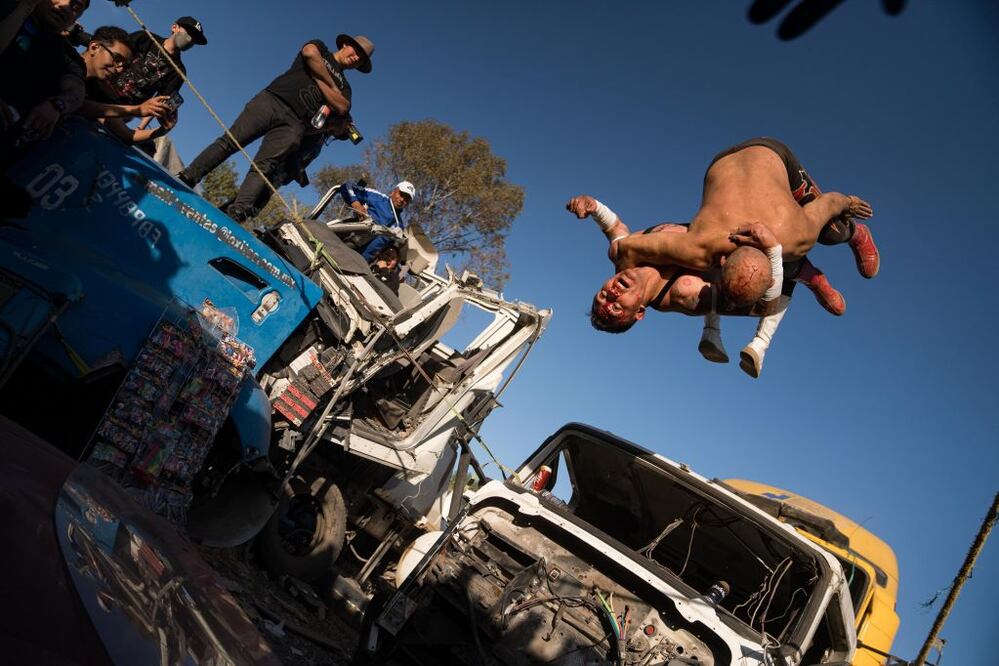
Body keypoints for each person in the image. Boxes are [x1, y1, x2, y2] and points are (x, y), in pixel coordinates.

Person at [570, 199, 834, 377]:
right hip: (746, 246)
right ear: (640, 312)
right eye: (616, 307)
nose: (612, 294)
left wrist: (593, 206)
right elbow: (764, 306)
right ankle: (761, 336)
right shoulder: (684, 293)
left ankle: (713, 332)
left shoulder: (622, 254)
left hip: (719, 223)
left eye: (603, 295)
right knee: (789, 266)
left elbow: (614, 227)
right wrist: (773, 251)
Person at [608, 137, 878, 309]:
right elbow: (628, 248)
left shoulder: (796, 236)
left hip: (770, 153)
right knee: (787, 257)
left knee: (830, 234)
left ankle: (857, 234)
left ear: (722, 261)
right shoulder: (698, 248)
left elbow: (830, 203)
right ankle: (813, 279)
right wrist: (625, 276)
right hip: (721, 160)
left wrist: (849, 203)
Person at [177, 34, 374, 223]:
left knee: (264, 166)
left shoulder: (345, 88)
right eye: (356, 51)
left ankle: (236, 212)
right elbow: (309, 53)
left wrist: (318, 77)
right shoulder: (321, 48)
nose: (356, 57)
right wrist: (331, 86)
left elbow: (342, 106)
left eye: (361, 59)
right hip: (272, 101)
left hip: (295, 124)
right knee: (230, 141)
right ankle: (188, 177)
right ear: (345, 45)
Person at [1, 0, 90, 217]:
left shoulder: (68, 56)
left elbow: (75, 91)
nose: (67, 6)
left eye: (77, 6)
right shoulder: (9, 11)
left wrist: (58, 105)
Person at [77, 25, 176, 145]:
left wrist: (163, 130)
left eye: (124, 65)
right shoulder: (63, 59)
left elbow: (127, 135)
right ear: (94, 47)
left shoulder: (101, 97)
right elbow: (78, 103)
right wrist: (136, 110)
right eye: (117, 59)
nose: (119, 69)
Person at [338, 180, 416, 261]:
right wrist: (355, 203)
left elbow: (386, 252)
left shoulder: (399, 227)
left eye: (407, 199)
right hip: (341, 245)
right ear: (393, 191)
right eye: (401, 194)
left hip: (359, 263)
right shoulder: (377, 198)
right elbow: (347, 186)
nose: (402, 199)